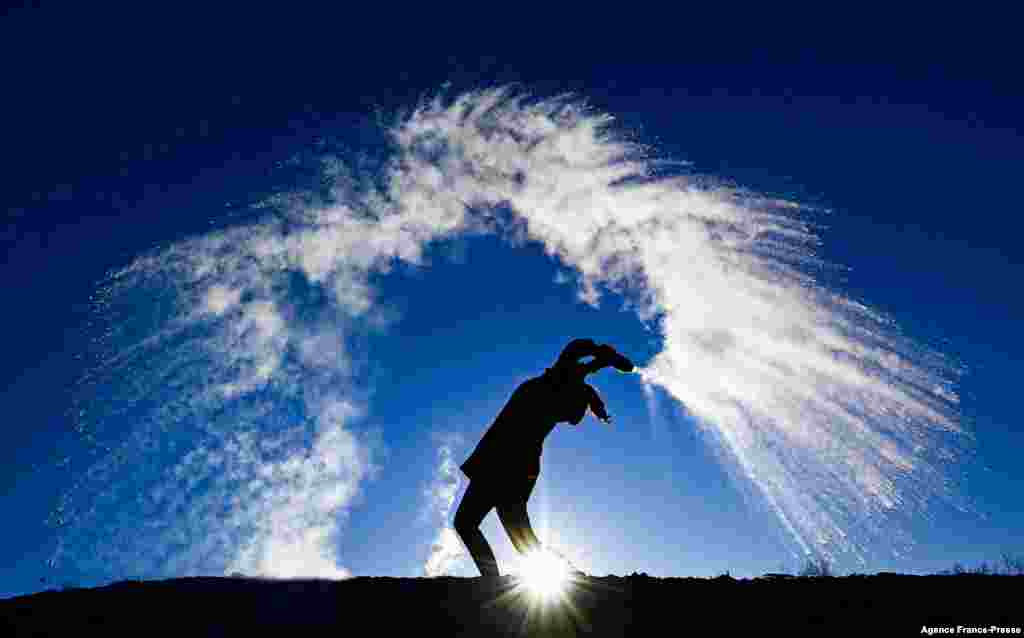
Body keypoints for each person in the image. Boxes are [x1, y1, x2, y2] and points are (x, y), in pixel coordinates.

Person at [453, 338, 635, 578]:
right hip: (519, 464)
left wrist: (599, 359)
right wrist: (599, 362)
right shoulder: (569, 393)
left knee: (475, 524)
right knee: (516, 530)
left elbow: (570, 360)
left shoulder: (548, 388)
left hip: (503, 460)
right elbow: (573, 368)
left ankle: (499, 580)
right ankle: (562, 576)